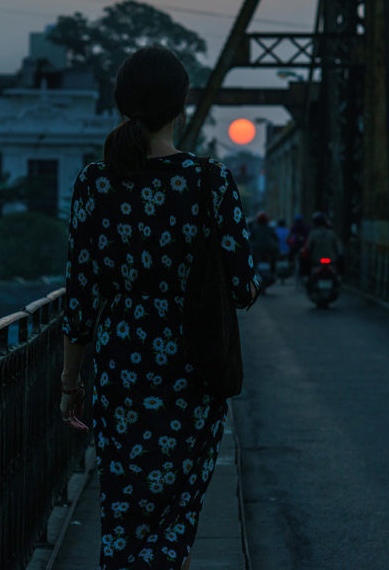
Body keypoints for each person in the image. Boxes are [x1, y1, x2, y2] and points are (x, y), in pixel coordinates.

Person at [59, 45, 260, 570]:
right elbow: (244, 287)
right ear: (182, 105)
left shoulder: (92, 183)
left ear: (122, 104)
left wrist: (70, 385)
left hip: (123, 366)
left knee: (123, 511)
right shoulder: (209, 181)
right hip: (191, 369)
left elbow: (80, 298)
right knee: (175, 517)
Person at [249, 211, 279, 282]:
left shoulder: (255, 229)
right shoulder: (270, 228)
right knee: (273, 258)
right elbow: (276, 239)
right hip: (269, 250)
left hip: (257, 250)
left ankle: (253, 274)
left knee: (252, 262)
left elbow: (250, 239)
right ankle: (273, 272)